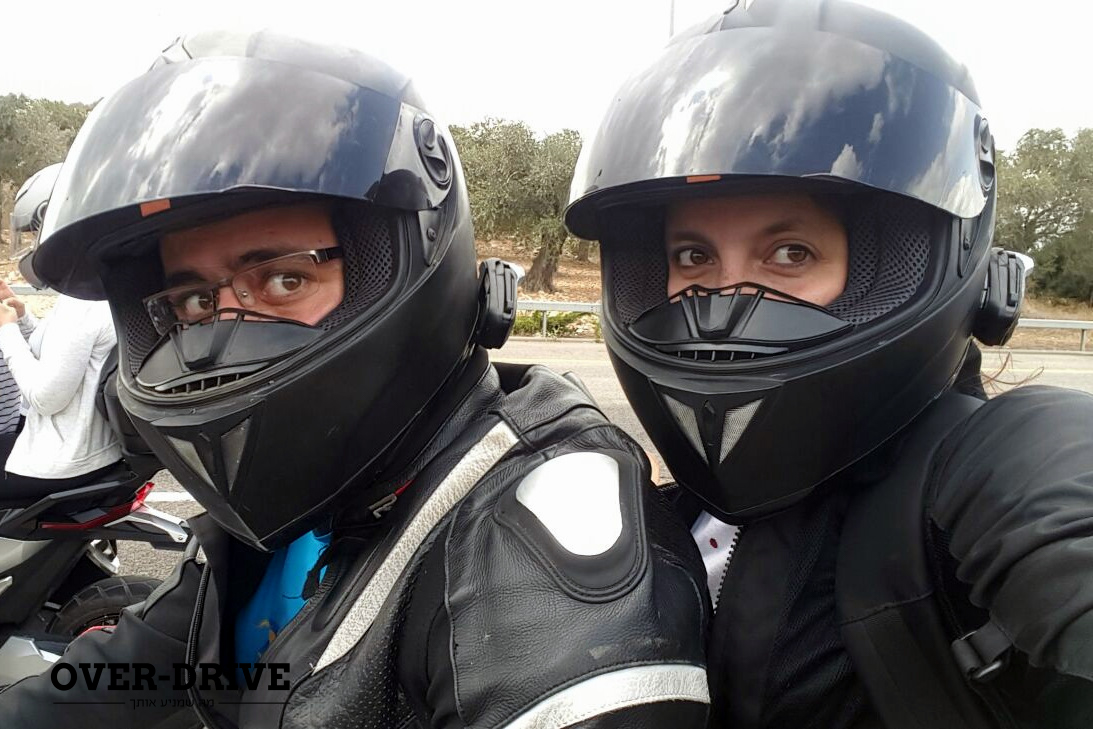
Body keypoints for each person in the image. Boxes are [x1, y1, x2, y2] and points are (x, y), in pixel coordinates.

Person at [0, 31, 710, 728]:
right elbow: (131, 672)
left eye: (283, 279)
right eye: (192, 302)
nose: (219, 342)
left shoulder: (533, 556)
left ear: (399, 263)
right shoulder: (293, 499)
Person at [564, 1, 1093, 727]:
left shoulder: (986, 473)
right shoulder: (666, 514)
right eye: (692, 256)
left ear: (894, 267)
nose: (722, 303)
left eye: (789, 253)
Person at [0, 163, 123, 502]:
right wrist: (22, 318)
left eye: (35, 232)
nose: (32, 245)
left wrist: (6, 331)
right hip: (84, 450)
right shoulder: (99, 285)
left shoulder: (82, 302)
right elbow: (64, 352)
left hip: (58, 462)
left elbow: (46, 397)